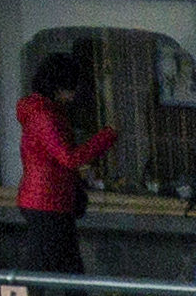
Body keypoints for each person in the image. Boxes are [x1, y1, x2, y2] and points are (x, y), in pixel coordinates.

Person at [22, 48, 119, 281]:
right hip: (47, 201)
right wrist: (106, 136)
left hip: (48, 198)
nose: (74, 94)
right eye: (71, 87)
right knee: (41, 272)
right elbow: (69, 157)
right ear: (58, 87)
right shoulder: (45, 115)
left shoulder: (43, 111)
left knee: (65, 268)